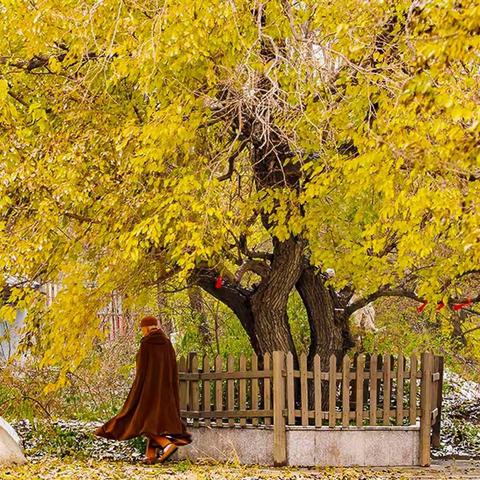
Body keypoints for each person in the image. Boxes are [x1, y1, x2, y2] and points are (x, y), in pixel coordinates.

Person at [94, 315, 192, 464]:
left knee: (143, 422)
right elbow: (172, 368)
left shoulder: (146, 344)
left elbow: (142, 371)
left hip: (149, 391)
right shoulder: (167, 343)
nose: (142, 332)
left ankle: (167, 445)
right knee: (154, 422)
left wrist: (137, 390)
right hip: (165, 391)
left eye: (142, 330)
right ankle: (150, 456)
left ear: (146, 328)